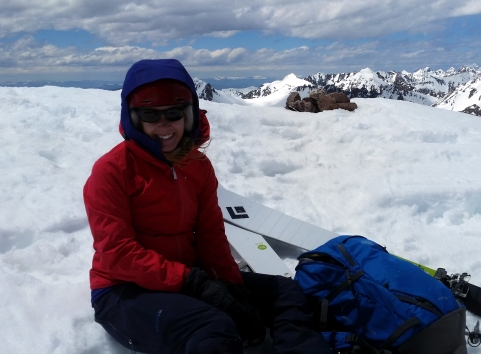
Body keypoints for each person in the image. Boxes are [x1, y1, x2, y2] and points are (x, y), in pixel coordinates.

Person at [83, 59, 330, 354]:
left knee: (284, 292)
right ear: (134, 118)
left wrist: (231, 287)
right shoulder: (112, 171)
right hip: (125, 290)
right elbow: (117, 255)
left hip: (190, 277)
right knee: (212, 327)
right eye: (150, 114)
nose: (164, 124)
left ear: (188, 115)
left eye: (174, 113)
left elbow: (211, 232)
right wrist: (194, 284)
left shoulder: (197, 166)